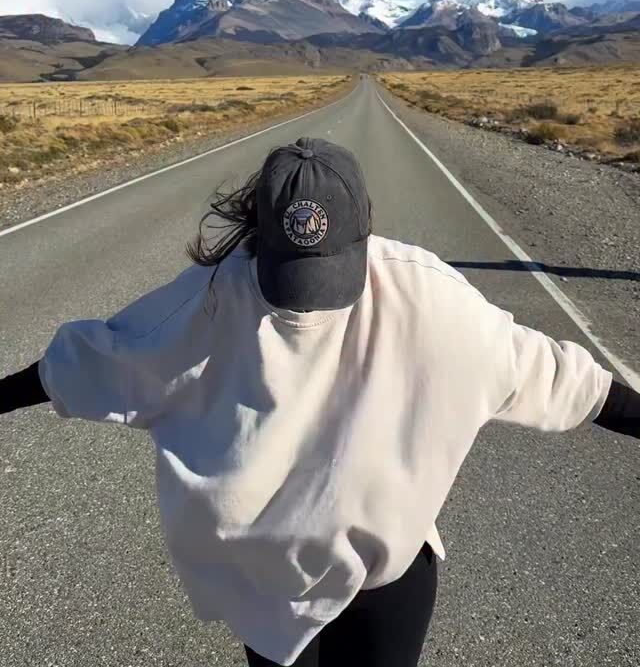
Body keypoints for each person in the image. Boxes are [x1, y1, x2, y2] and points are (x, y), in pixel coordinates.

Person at [1, 136, 638, 667]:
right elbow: (89, 362)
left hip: (382, 582)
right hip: (269, 589)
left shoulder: (434, 300)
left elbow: (566, 379)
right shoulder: (208, 300)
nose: (307, 303)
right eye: (292, 279)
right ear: (256, 239)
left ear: (368, 231)